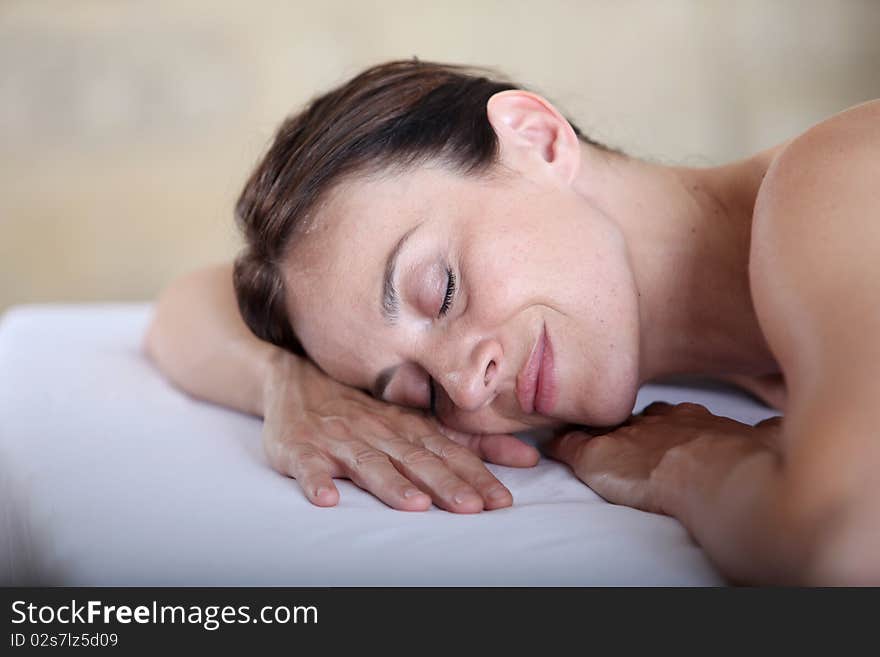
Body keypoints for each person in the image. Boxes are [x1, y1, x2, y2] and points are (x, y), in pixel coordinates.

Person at [145, 59, 880, 584]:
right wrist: (289, 385)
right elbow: (187, 305)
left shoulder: (839, 181)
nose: (466, 386)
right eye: (417, 393)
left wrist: (687, 469)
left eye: (441, 288)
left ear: (536, 138)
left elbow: (844, 550)